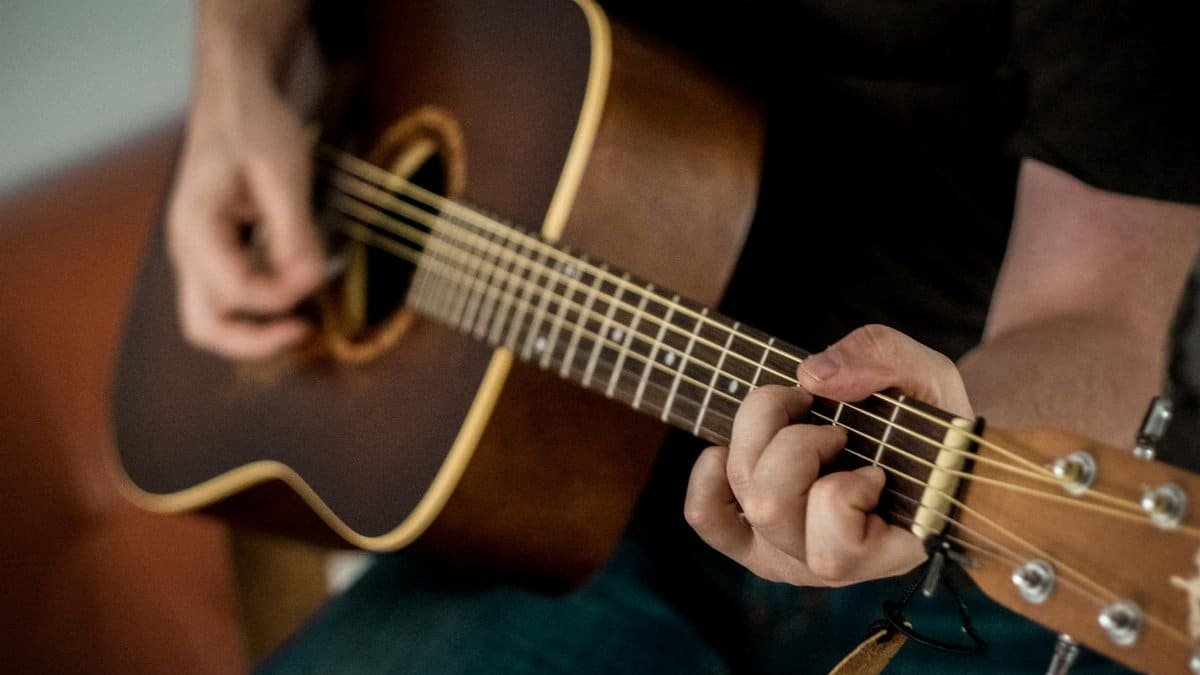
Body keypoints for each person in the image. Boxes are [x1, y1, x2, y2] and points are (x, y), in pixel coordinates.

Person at [167, 0, 1200, 672]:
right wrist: (233, 73)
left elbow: (1106, 308)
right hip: (558, 500)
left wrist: (957, 434)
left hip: (951, 545)